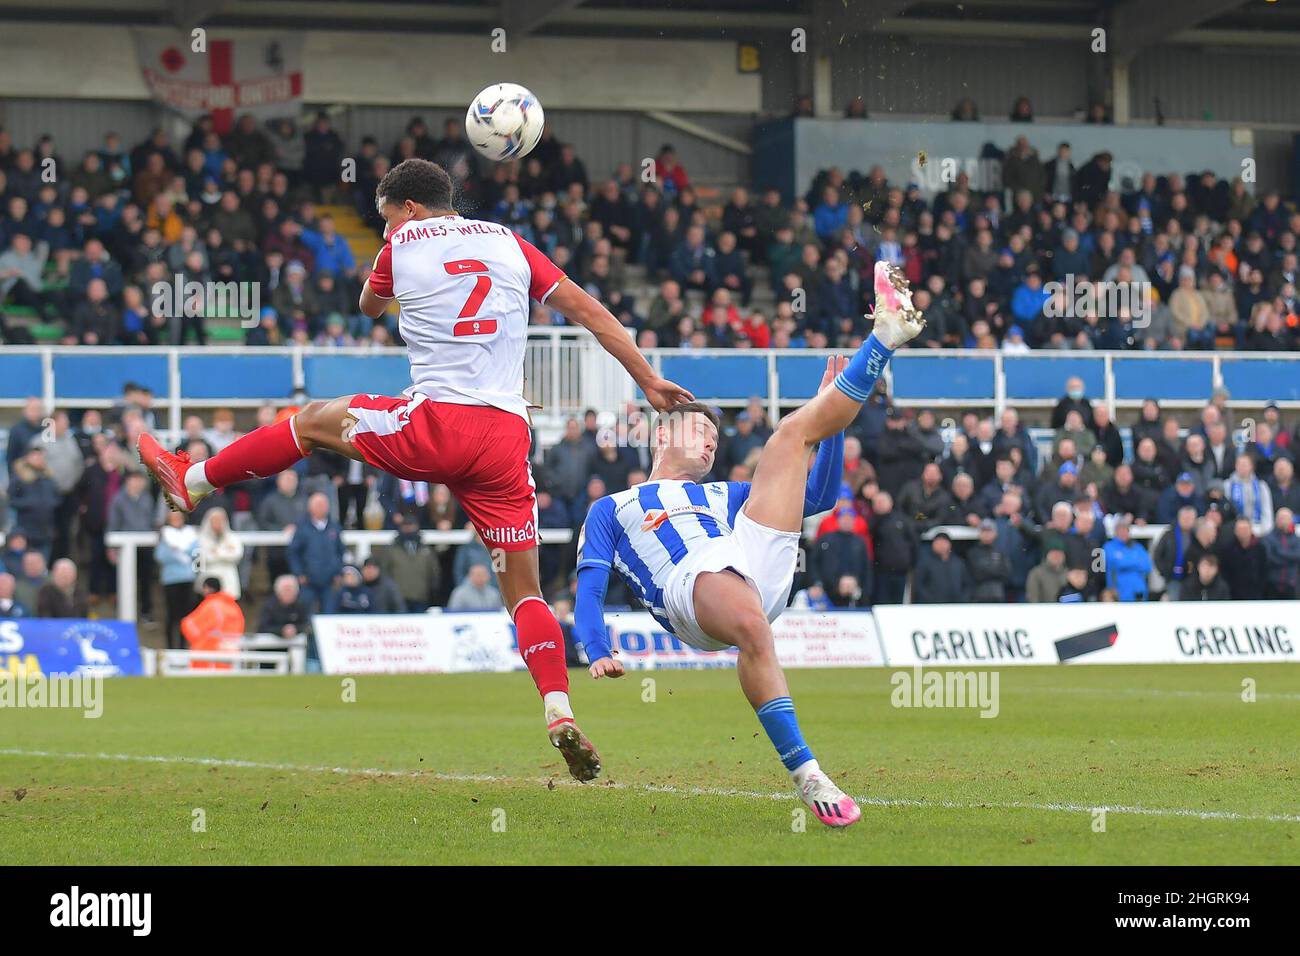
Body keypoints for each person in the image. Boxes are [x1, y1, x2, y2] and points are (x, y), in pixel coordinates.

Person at [138, 157, 692, 783]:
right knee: (526, 591)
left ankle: (193, 481)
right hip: (506, 437)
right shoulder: (512, 243)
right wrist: (647, 379)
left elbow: (369, 307)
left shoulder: (401, 244)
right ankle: (557, 706)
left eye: (384, 218)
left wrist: (395, 272)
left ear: (409, 210)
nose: (383, 231)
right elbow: (591, 314)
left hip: (437, 427)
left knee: (310, 422)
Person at [573, 261, 925, 828]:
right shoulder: (613, 507)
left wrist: (827, 423)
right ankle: (810, 776)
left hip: (753, 567)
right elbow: (588, 585)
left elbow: (818, 498)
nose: (711, 442)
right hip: (690, 588)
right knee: (750, 623)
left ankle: (885, 335)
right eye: (701, 431)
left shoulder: (725, 496)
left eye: (716, 437)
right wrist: (596, 647)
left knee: (792, 432)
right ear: (663, 433)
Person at [154, 510, 199, 649]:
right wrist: (180, 555)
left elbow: (196, 552)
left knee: (186, 615)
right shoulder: (165, 535)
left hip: (188, 578)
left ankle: (183, 646)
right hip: (171, 579)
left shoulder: (190, 533)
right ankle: (170, 647)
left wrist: (177, 551)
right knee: (172, 615)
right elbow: (161, 556)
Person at [180, 577, 245, 671]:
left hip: (208, 655)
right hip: (231, 653)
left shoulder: (210, 605)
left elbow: (190, 625)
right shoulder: (234, 606)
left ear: (208, 588)